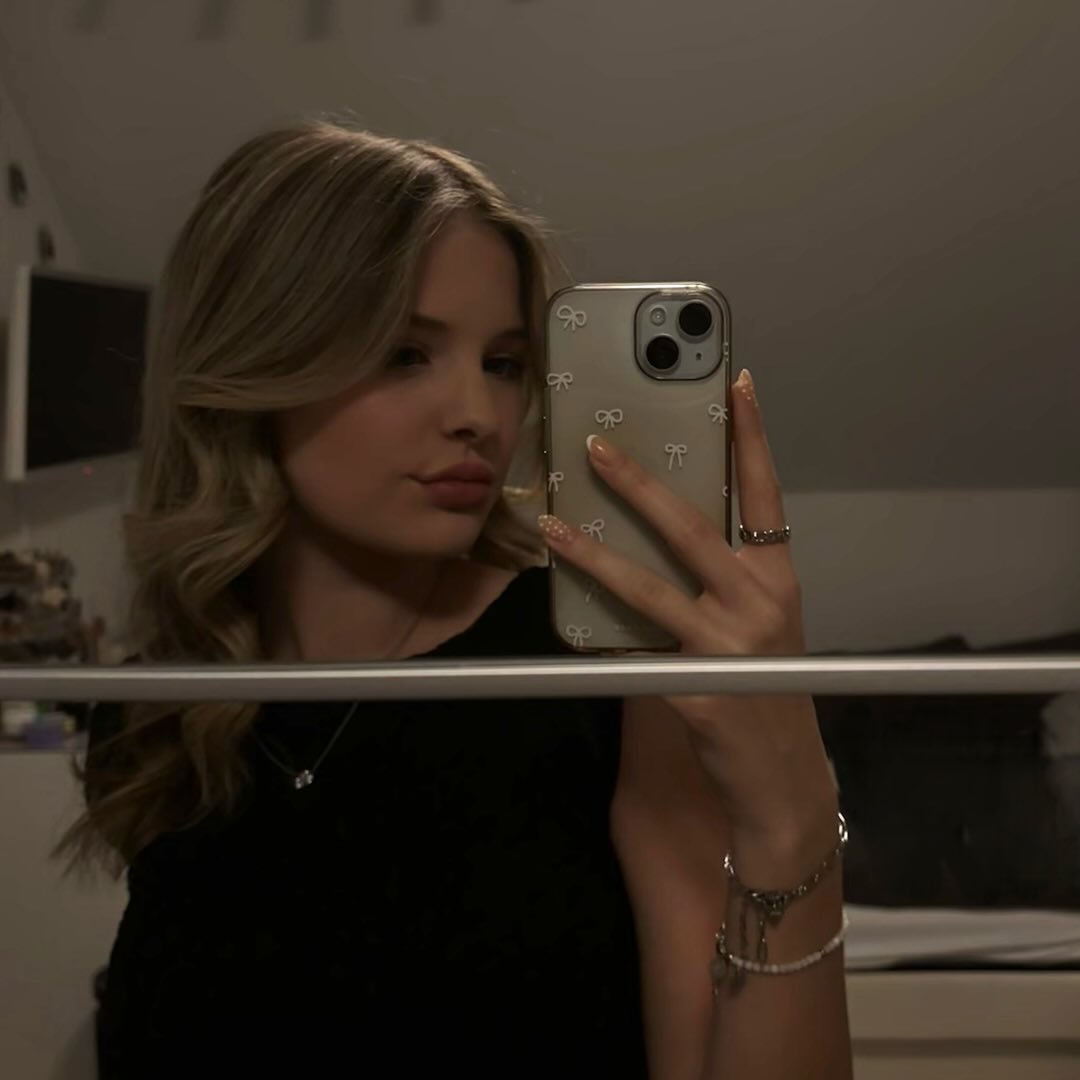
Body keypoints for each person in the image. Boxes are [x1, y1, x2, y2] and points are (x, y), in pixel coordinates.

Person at [64, 119, 852, 1078]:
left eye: (504, 363)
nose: (478, 416)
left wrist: (793, 811)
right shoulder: (157, 715)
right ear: (257, 358)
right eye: (405, 353)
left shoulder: (599, 673)